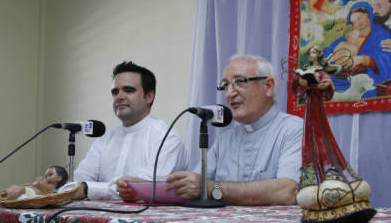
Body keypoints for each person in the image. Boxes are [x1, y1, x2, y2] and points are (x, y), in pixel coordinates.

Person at [165, 55, 303, 206]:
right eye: (225, 85)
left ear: (268, 86)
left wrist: (212, 188)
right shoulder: (225, 140)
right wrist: (145, 187)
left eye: (240, 81)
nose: (230, 93)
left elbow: (287, 191)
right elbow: (195, 185)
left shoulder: (295, 129)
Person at [73, 61, 188, 200]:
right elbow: (79, 181)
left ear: (149, 97)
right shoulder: (105, 139)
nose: (119, 97)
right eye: (115, 92)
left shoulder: (167, 138)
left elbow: (141, 190)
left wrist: (88, 189)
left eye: (128, 90)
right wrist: (58, 184)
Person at [291, 46, 376, 223]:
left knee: (322, 135)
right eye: (310, 53)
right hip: (309, 106)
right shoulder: (306, 70)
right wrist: (302, 83)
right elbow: (296, 89)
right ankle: (315, 178)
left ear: (319, 55)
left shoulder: (322, 71)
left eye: (314, 52)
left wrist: (324, 85)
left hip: (317, 107)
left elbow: (328, 90)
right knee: (310, 136)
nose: (312, 55)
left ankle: (331, 174)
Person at [324, 1, 391, 98]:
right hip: (341, 78)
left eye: (360, 18)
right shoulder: (349, 36)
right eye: (354, 22)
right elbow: (328, 51)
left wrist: (365, 59)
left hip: (367, 82)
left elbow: (386, 59)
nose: (358, 23)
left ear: (368, 15)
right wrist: (334, 56)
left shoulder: (381, 35)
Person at [0, 166, 68, 200]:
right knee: (15, 186)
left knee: (21, 189)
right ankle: (5, 194)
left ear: (59, 178)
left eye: (50, 174)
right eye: (46, 175)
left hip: (32, 194)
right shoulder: (46, 183)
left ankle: (7, 199)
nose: (46, 177)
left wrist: (39, 182)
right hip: (29, 190)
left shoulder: (51, 186)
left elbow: (39, 185)